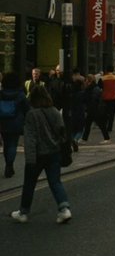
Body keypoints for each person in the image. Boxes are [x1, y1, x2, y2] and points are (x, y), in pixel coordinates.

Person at [11, 83, 72, 224]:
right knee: (55, 181)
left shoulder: (32, 114)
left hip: (38, 155)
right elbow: (62, 132)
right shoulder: (55, 111)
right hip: (54, 152)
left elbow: (30, 138)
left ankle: (23, 212)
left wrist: (30, 159)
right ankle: (64, 209)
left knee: (29, 183)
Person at [0, 70, 28, 178]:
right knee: (12, 144)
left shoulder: (1, 93)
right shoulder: (20, 94)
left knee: (6, 144)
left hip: (3, 122)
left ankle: (8, 163)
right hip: (16, 122)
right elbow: (27, 108)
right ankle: (9, 164)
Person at [81, 74, 110, 142]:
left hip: (95, 110)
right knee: (89, 125)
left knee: (100, 124)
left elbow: (94, 100)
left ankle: (107, 138)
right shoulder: (91, 88)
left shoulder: (93, 89)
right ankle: (84, 139)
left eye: (86, 80)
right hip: (92, 110)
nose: (85, 82)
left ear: (89, 81)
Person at [100, 66, 115, 135]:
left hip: (104, 97)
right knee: (112, 113)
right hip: (113, 98)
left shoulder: (103, 78)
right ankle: (110, 127)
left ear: (106, 70)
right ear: (112, 70)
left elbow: (100, 87)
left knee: (104, 113)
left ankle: (104, 125)